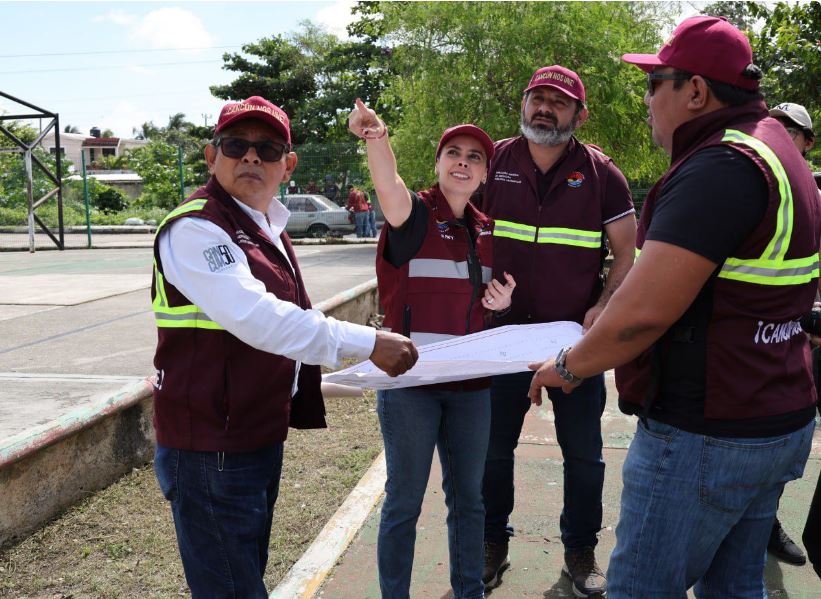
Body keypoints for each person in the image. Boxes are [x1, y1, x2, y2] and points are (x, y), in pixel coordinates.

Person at [528, 16, 820, 597]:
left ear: (695, 91)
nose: (647, 98)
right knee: (736, 587)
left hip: (707, 433)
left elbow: (641, 314)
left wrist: (566, 367)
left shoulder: (721, 165)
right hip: (771, 414)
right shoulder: (777, 147)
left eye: (655, 81)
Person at [150, 95, 418, 599]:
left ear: (287, 165)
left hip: (250, 435)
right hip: (210, 447)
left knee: (244, 574)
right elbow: (260, 319)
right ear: (212, 156)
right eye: (236, 145)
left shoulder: (262, 225)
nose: (252, 158)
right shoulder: (197, 227)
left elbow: (283, 330)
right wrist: (368, 342)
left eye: (268, 150)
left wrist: (330, 379)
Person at [349, 97, 516, 599]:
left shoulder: (488, 231)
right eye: (454, 153)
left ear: (485, 173)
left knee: (469, 501)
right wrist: (378, 140)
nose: (463, 161)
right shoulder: (415, 214)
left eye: (475, 156)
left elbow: (483, 310)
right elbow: (388, 189)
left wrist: (501, 305)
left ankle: (469, 592)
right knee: (403, 500)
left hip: (470, 389)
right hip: (412, 386)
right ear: (439, 164)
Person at [480, 65, 636, 596]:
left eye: (559, 101)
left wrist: (603, 306)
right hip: (500, 340)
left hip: (573, 346)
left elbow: (626, 255)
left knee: (585, 456)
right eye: (537, 98)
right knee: (493, 451)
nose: (545, 108)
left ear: (579, 114)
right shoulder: (493, 160)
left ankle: (580, 553)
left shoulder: (601, 174)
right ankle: (490, 544)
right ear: (523, 104)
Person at [766, 101, 817, 566]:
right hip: (769, 342)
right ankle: (767, 522)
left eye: (792, 130)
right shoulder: (752, 187)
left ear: (807, 142)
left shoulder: (814, 197)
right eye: (774, 126)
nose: (780, 135)